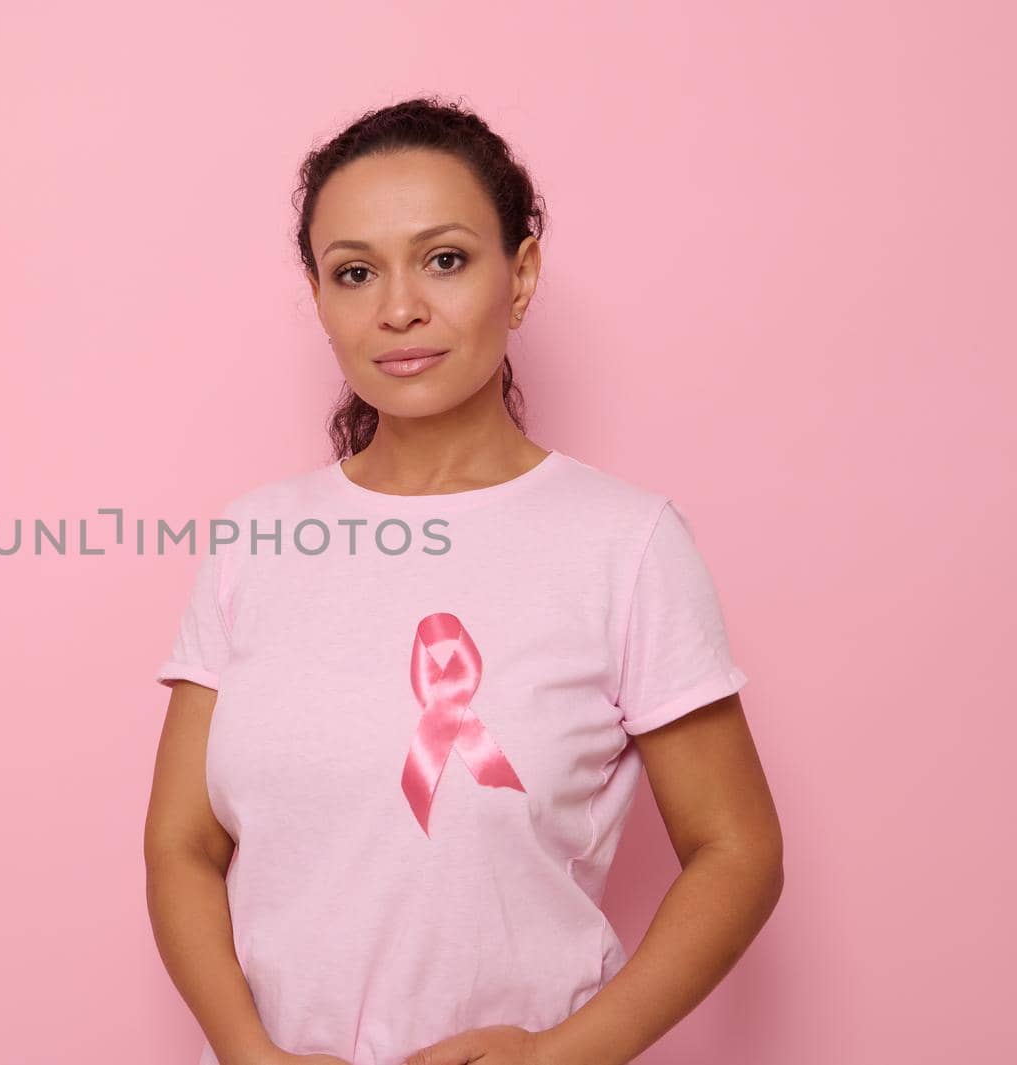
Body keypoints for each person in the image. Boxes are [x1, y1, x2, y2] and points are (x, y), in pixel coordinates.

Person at [142, 97, 783, 1065]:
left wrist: (564, 1053)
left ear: (519, 277)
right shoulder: (254, 538)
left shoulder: (625, 543)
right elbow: (182, 846)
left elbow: (737, 851)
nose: (398, 308)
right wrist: (246, 1052)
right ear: (318, 297)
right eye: (354, 273)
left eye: (444, 259)